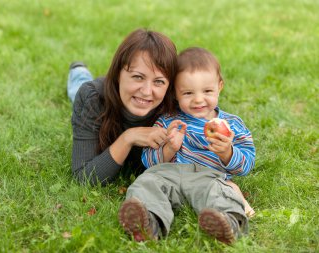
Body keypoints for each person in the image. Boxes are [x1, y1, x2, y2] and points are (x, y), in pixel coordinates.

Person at [118, 47, 256, 244]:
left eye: (207, 91)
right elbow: (148, 161)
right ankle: (149, 223)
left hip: (208, 178)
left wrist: (227, 152)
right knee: (147, 182)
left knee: (222, 193)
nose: (198, 99)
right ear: (175, 94)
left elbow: (247, 163)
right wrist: (169, 148)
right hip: (170, 174)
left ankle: (228, 224)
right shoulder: (168, 121)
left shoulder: (232, 125)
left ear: (220, 86)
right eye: (188, 93)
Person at [68, 28, 178, 186]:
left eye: (159, 81)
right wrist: (129, 137)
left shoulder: (177, 103)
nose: (147, 92)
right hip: (103, 93)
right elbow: (84, 177)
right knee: (78, 89)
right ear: (118, 74)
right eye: (138, 77)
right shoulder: (93, 99)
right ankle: (78, 71)